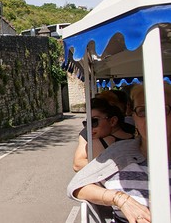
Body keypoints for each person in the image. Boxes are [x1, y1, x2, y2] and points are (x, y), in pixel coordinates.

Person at [68, 84, 171, 223]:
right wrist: (120, 198)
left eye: (162, 109)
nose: (152, 117)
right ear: (133, 116)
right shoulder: (119, 153)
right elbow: (77, 181)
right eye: (142, 111)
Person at [72, 96, 135, 172]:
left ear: (113, 121)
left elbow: (77, 166)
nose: (89, 127)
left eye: (94, 121)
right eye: (87, 123)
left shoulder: (96, 144)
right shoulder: (138, 138)